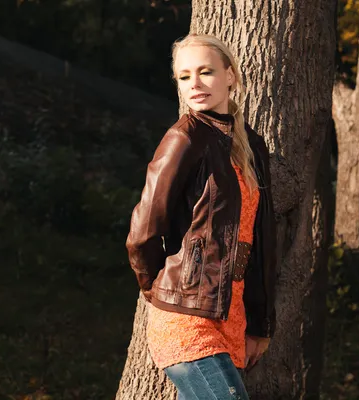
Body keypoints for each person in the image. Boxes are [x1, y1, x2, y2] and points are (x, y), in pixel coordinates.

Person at [125, 33, 277, 400]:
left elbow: (259, 245)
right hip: (186, 317)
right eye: (184, 75)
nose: (194, 83)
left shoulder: (252, 146)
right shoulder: (184, 137)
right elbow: (143, 230)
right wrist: (156, 289)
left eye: (205, 72)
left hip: (232, 316)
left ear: (230, 76)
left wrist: (259, 324)